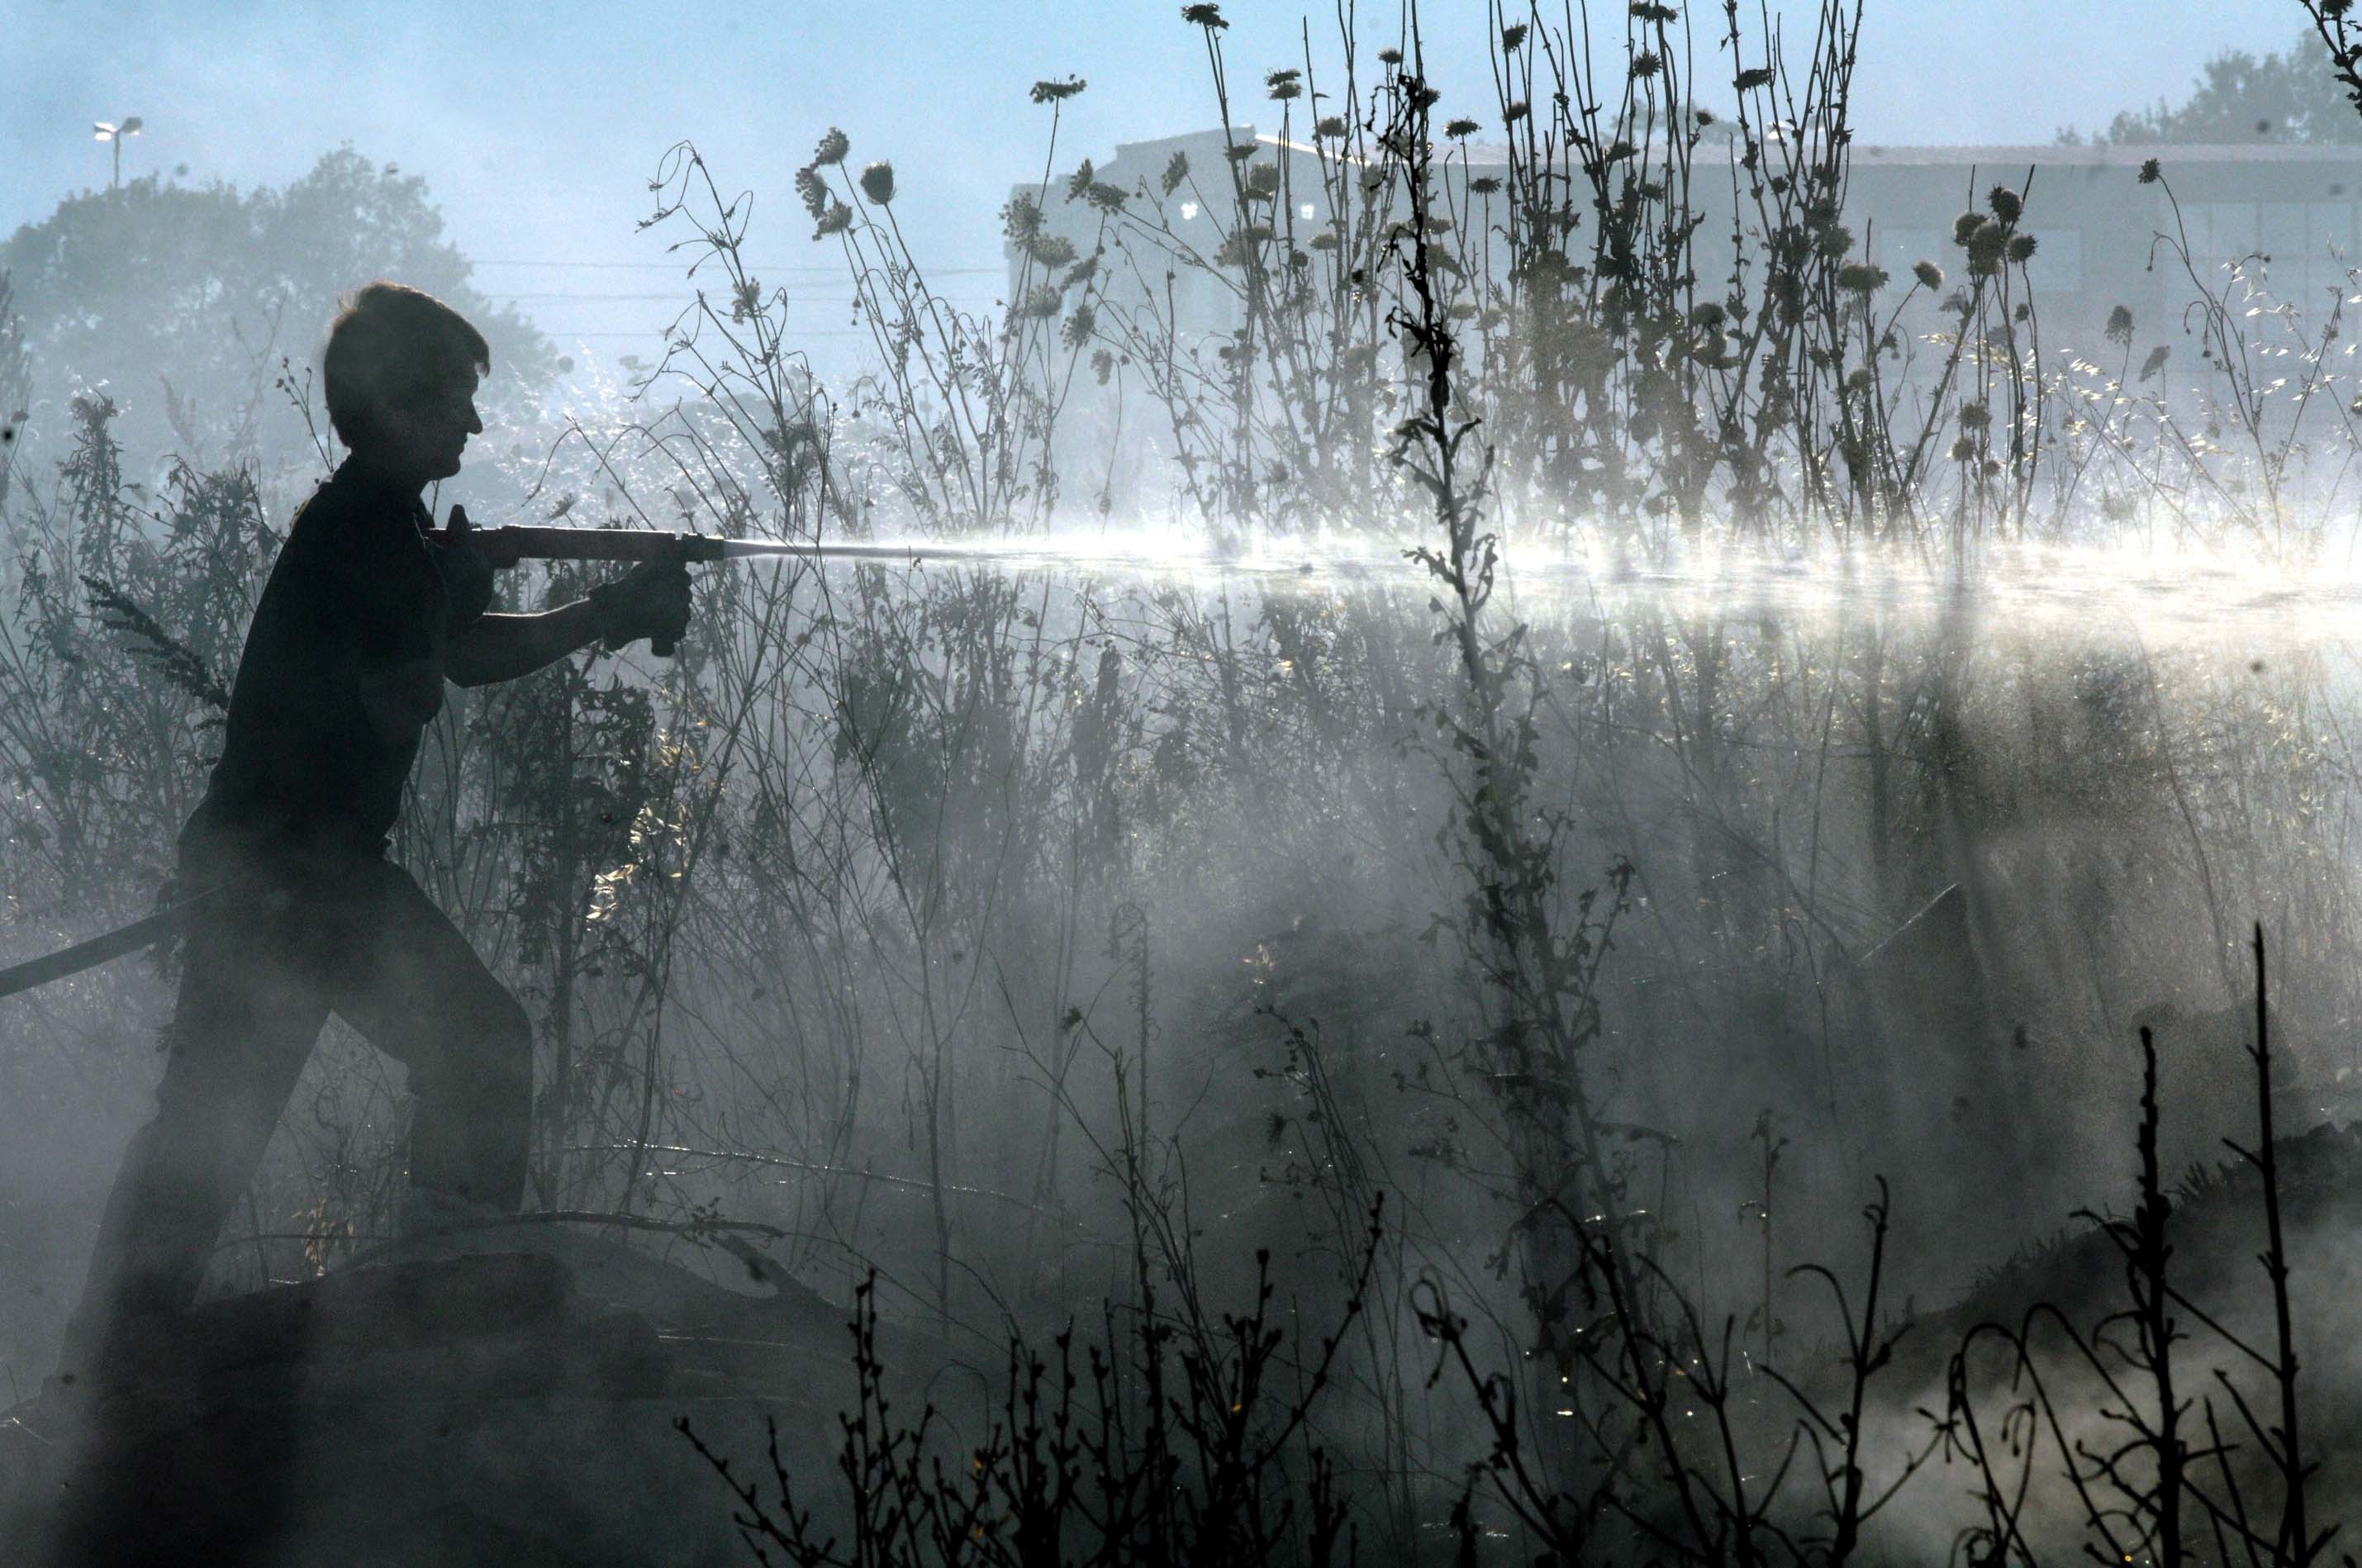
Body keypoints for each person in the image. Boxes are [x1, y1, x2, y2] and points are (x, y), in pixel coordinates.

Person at [56, 282, 692, 1385]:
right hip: (291, 876)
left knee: (218, 1119)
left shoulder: (377, 526)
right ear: (392, 405)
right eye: (453, 402)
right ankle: (444, 1292)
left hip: (289, 866)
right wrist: (454, 592)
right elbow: (410, 691)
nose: (474, 427)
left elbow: (461, 646)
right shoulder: (365, 536)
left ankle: (113, 1353)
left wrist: (601, 615)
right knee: (466, 1051)